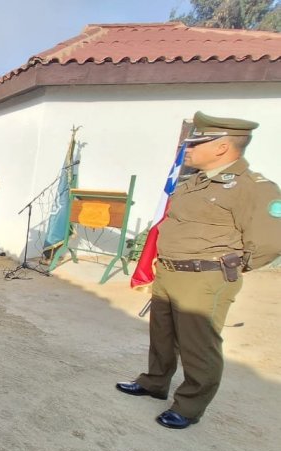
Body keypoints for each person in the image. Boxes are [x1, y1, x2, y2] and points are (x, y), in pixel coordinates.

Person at [116, 112, 281, 429]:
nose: (187, 148)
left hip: (205, 277)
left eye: (196, 142)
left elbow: (270, 242)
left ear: (222, 147)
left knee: (198, 343)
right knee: (162, 335)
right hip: (168, 271)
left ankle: (189, 406)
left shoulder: (253, 188)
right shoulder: (192, 183)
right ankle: (155, 382)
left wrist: (231, 266)